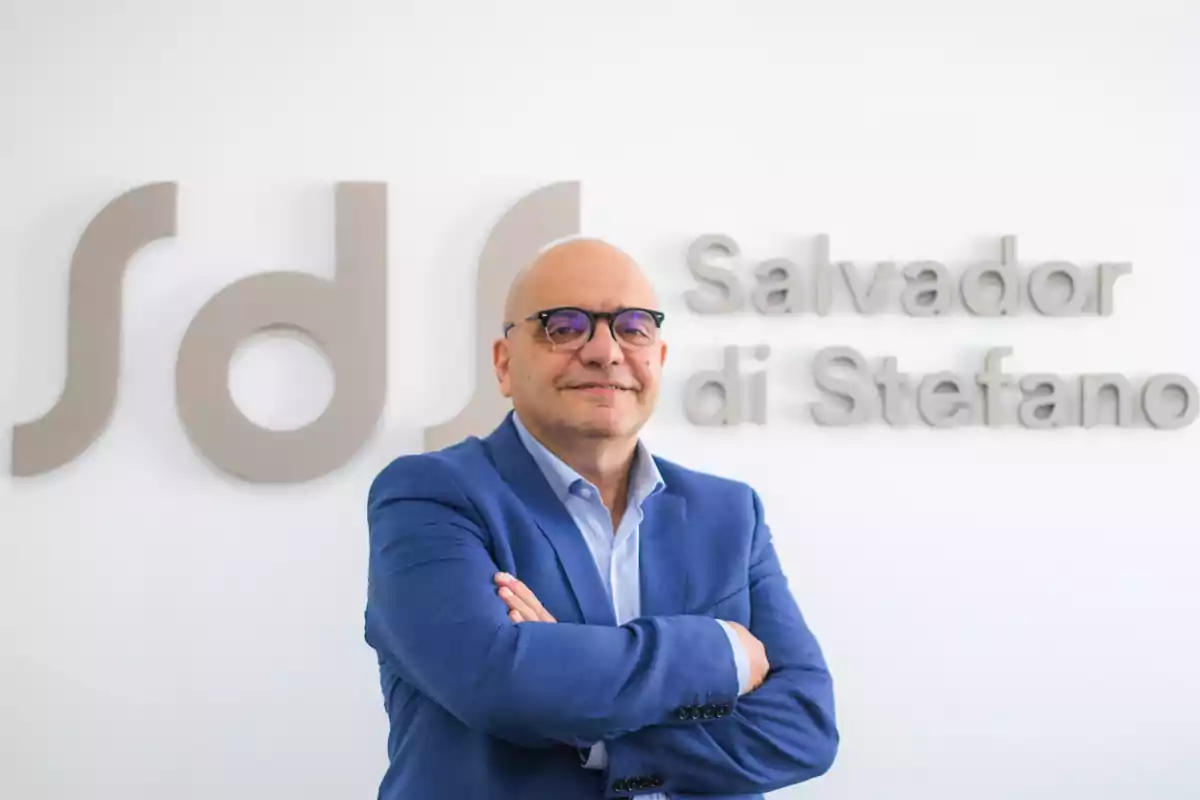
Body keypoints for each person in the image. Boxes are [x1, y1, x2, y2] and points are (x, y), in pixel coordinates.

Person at [363, 238, 838, 799]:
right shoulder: (430, 495)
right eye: (563, 326)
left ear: (659, 357)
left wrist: (602, 736)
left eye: (633, 327)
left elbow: (805, 728)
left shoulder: (730, 513)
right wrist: (723, 651)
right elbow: (499, 682)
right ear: (504, 363)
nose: (605, 352)